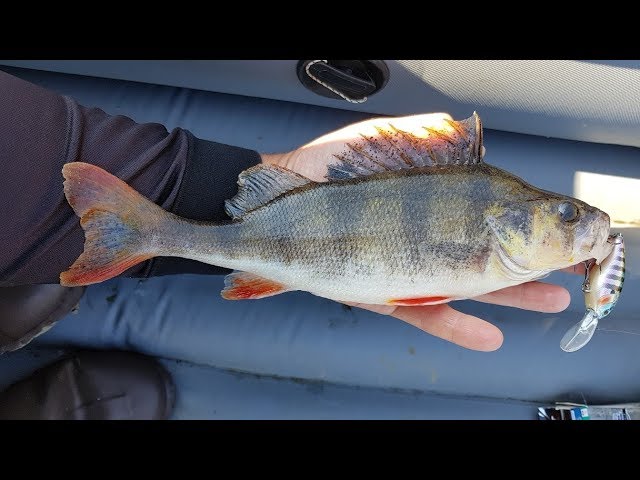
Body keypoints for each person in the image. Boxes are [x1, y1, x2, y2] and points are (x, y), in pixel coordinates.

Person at [0, 69, 574, 419]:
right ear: (510, 222)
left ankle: (56, 247)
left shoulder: (491, 226)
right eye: (565, 216)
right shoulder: (488, 231)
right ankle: (74, 241)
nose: (578, 228)